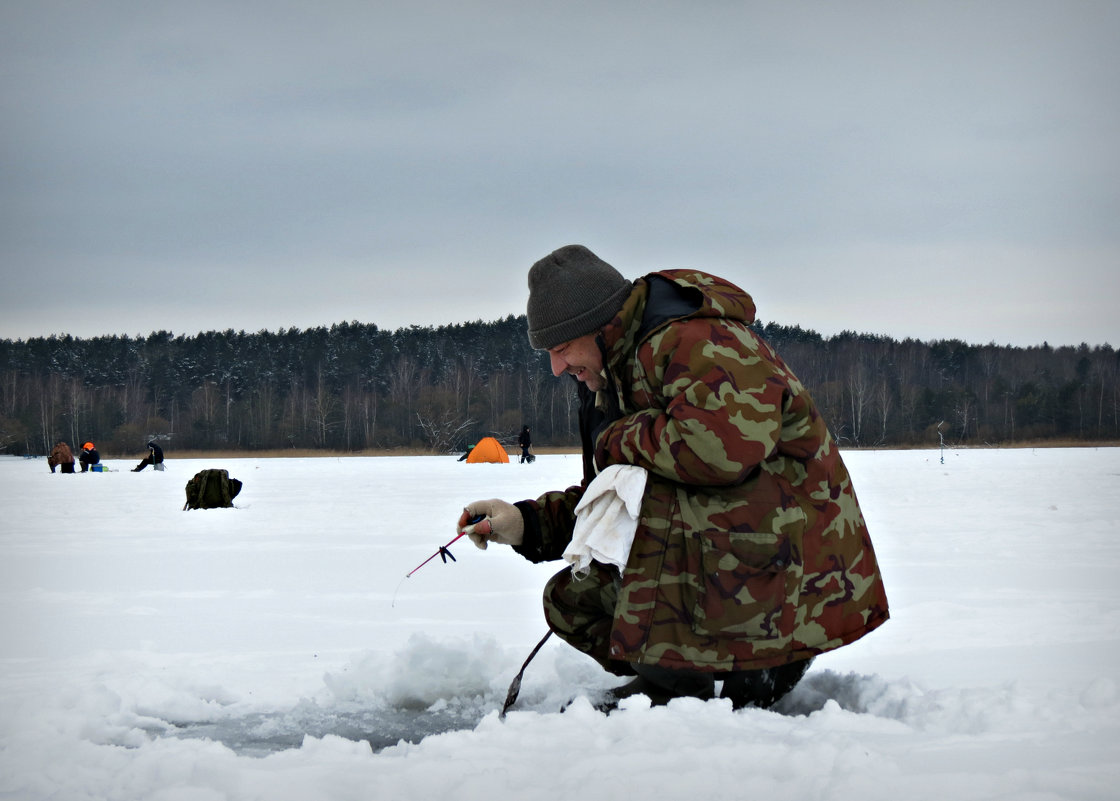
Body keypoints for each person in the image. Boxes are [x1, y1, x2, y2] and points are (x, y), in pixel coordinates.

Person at [458, 244, 889, 712]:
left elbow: (721, 450)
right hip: (738, 576)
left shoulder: (696, 341)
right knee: (572, 600)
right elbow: (615, 496)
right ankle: (685, 682)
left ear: (602, 328)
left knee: (657, 518)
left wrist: (620, 434)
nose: (557, 368)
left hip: (790, 583)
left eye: (562, 349)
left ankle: (720, 685)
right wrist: (524, 523)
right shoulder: (614, 372)